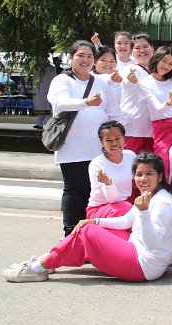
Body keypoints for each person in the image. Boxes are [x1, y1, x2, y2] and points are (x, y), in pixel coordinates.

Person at [2, 152, 172, 283]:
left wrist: (144, 212)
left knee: (87, 232)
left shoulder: (162, 203)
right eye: (139, 174)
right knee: (93, 227)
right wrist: (96, 221)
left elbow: (153, 243)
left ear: (160, 176)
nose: (143, 179)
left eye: (149, 174)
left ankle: (39, 266)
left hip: (144, 266)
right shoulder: (150, 195)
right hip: (139, 252)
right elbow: (126, 221)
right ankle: (50, 258)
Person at [47, 40, 122, 236]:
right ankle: (71, 235)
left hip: (97, 148)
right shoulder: (62, 80)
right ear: (71, 58)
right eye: (81, 55)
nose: (86, 60)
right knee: (74, 190)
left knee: (94, 192)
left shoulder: (99, 82)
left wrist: (116, 137)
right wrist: (85, 102)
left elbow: (113, 111)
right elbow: (60, 102)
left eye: (90, 56)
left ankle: (91, 236)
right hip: (72, 147)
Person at [129, 46, 172, 174]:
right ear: (156, 59)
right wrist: (168, 104)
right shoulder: (145, 84)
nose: (166, 66)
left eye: (171, 63)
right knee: (163, 161)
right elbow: (157, 110)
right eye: (164, 61)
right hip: (162, 129)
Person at [86, 121, 137, 224]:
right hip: (101, 208)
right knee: (129, 210)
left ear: (124, 138)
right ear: (102, 143)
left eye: (117, 138)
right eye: (109, 140)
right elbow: (112, 199)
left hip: (124, 206)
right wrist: (109, 185)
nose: (114, 143)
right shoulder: (97, 164)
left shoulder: (130, 156)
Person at [119, 33, 155, 154]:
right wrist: (130, 79)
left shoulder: (158, 71)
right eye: (137, 48)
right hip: (132, 128)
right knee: (130, 165)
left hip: (152, 129)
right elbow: (126, 81)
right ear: (131, 51)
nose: (142, 50)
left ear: (152, 48)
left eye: (145, 46)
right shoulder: (130, 69)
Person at [33, 56, 61, 129]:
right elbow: (35, 79)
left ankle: (50, 124)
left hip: (48, 90)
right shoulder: (38, 69)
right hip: (40, 90)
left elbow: (54, 79)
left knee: (48, 107)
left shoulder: (51, 69)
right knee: (41, 107)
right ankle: (39, 123)